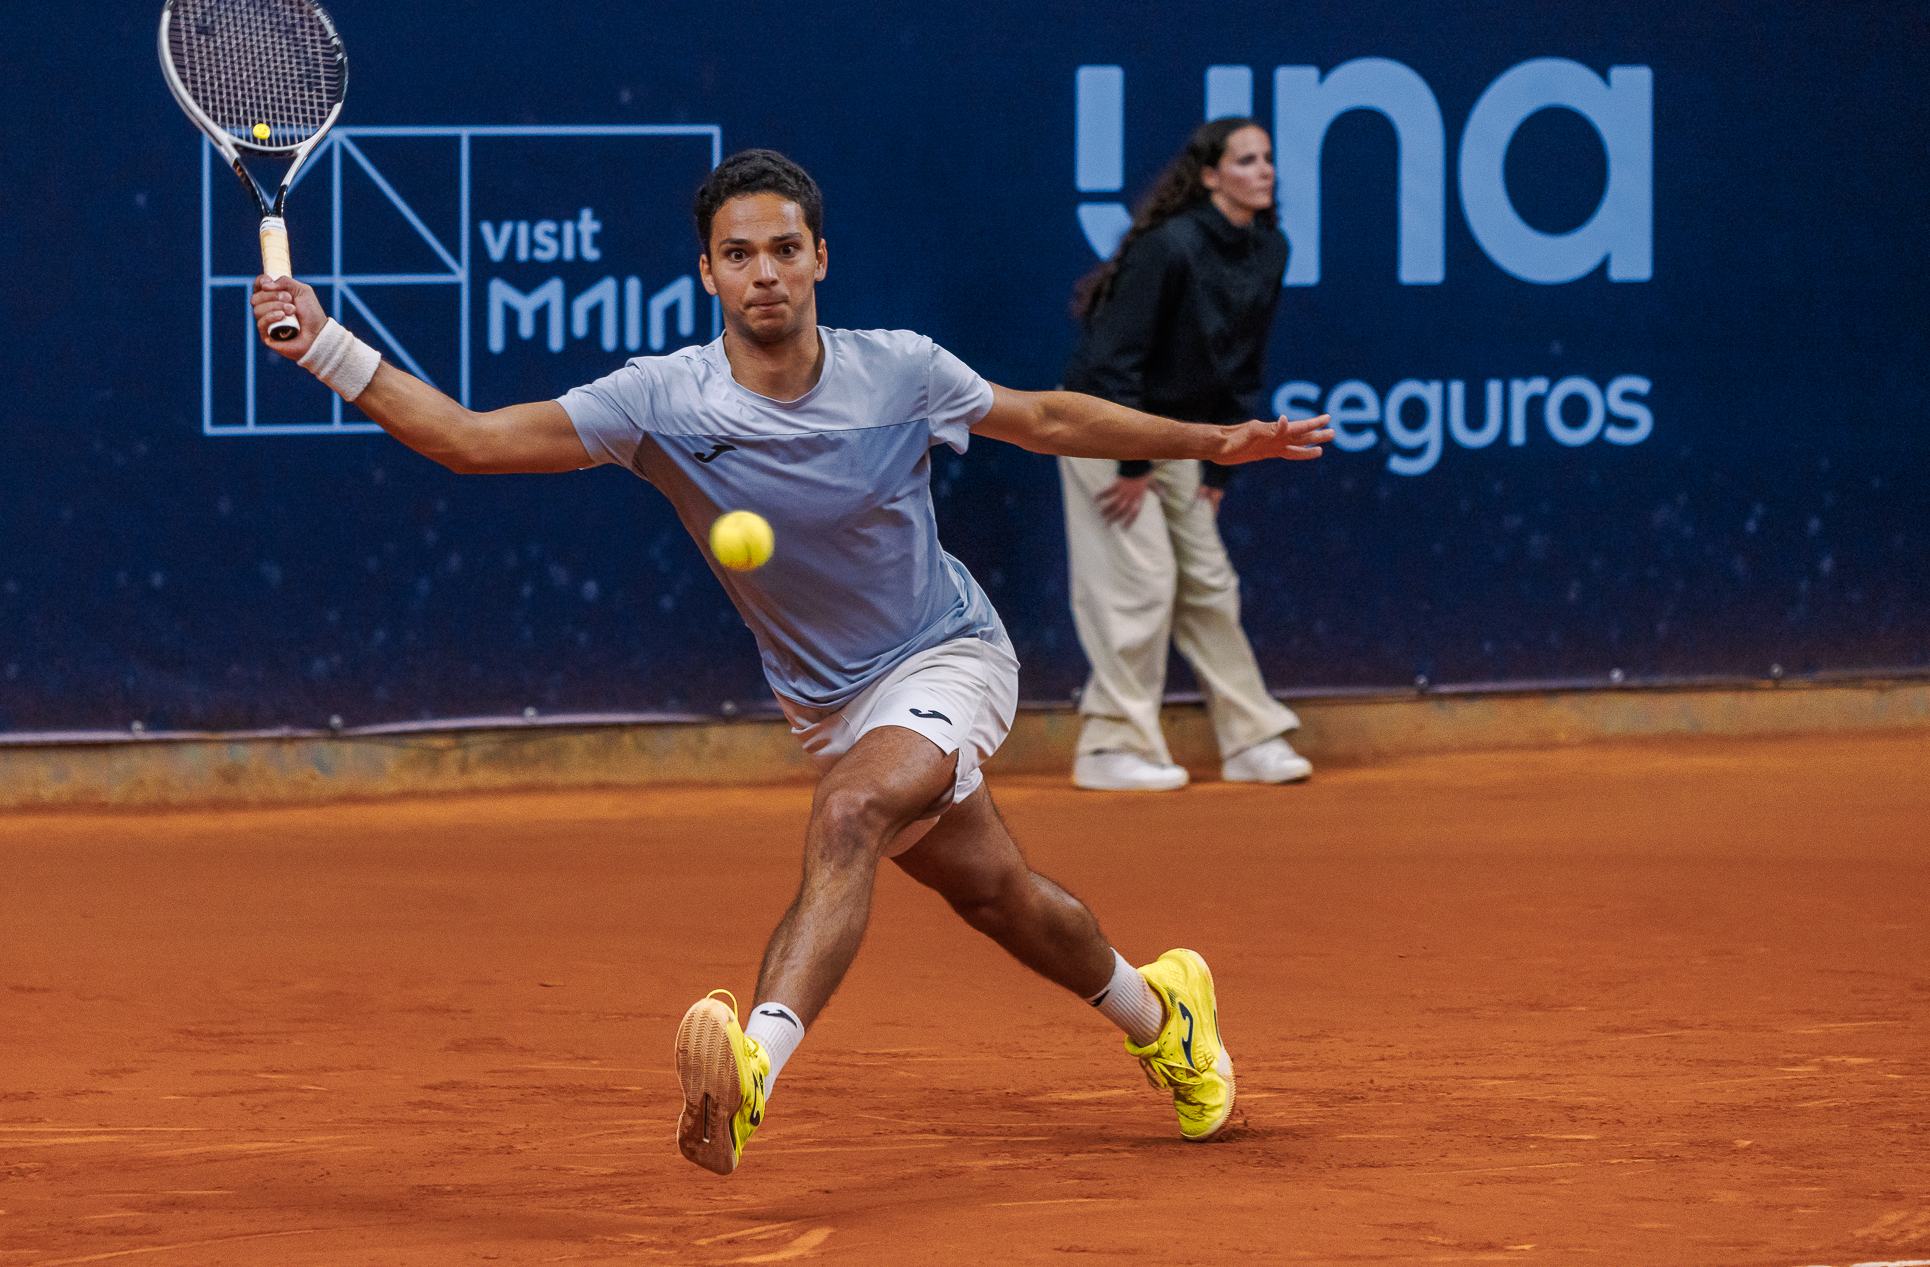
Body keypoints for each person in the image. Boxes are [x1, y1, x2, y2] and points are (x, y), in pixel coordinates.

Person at [249, 149, 1330, 1176]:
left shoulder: (900, 370)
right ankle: (1162, 1014)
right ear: (707, 271)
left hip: (947, 653)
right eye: (737, 254)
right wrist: (325, 345)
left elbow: (1043, 417)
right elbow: (469, 437)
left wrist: (1210, 439)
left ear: (819, 258)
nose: (762, 272)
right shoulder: (661, 399)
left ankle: (752, 1068)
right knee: (999, 895)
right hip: (826, 699)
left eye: (782, 249)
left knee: (851, 812)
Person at [1059, 117, 1314, 793]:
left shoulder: (1270, 248)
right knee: (1138, 583)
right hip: (1105, 427)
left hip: (1178, 432)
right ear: (1209, 176)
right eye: (1246, 160)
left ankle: (1251, 740)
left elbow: (1240, 364)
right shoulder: (1169, 248)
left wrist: (1222, 462)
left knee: (1209, 584)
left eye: (1267, 159)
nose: (1264, 170)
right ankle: (1110, 746)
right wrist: (1133, 465)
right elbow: (1115, 359)